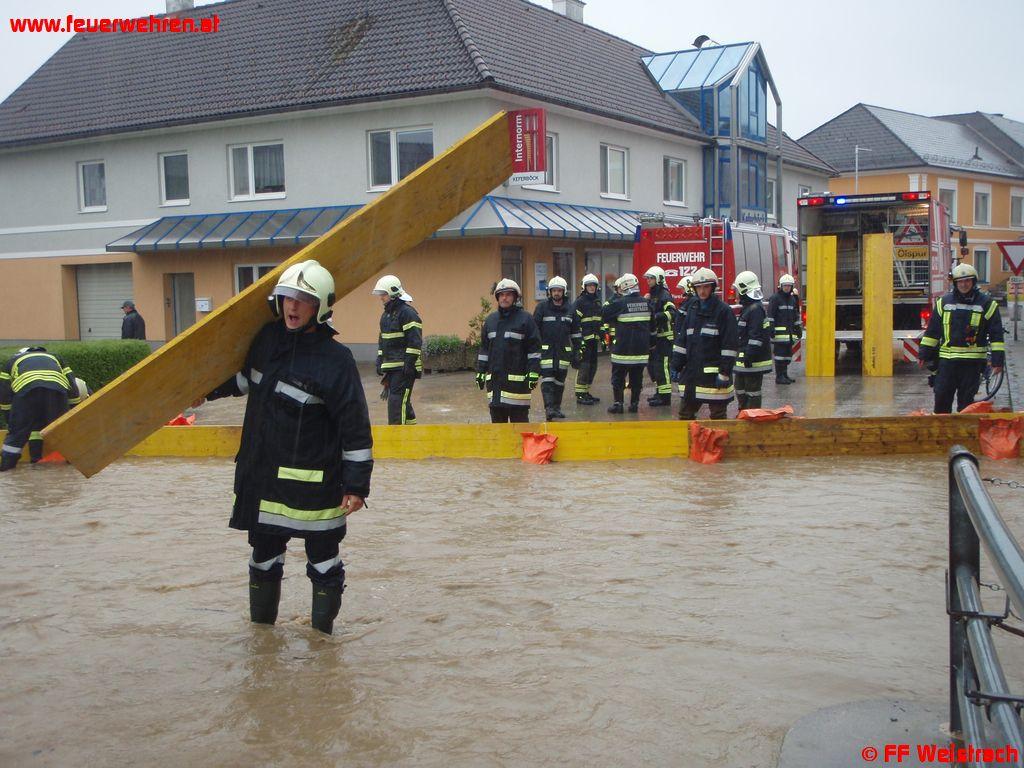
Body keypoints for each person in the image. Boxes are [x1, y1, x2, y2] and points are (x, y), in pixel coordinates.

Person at [204, 259, 373, 635]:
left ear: (321, 306)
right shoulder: (267, 340)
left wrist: (357, 485)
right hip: (263, 483)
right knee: (262, 560)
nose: (292, 307)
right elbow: (247, 381)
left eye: (302, 299)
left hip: (316, 489)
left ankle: (322, 644)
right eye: (286, 298)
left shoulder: (336, 361)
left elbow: (355, 429)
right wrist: (202, 390)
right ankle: (263, 641)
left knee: (324, 565)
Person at [919, 263, 1005, 413]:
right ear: (955, 283)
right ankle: (943, 434)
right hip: (947, 363)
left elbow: (996, 335)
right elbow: (933, 332)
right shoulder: (944, 303)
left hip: (971, 365)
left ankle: (964, 435)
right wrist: (923, 354)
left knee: (966, 406)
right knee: (941, 401)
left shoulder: (987, 304)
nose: (964, 284)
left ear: (973, 282)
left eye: (967, 281)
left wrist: (998, 361)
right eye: (960, 281)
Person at [671, 267, 738, 420]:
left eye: (706, 287)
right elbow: (682, 342)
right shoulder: (692, 310)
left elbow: (730, 346)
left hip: (715, 377)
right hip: (693, 376)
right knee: (685, 416)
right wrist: (676, 365)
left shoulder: (724, 312)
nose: (702, 291)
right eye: (699, 287)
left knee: (718, 418)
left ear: (713, 287)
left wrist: (724, 372)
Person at [0, 346, 81, 471]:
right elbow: (72, 385)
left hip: (26, 391)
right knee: (63, 429)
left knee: (17, 432)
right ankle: (75, 462)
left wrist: (11, 420)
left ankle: (7, 466)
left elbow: (4, 393)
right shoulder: (56, 357)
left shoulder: (12, 361)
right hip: (56, 391)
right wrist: (73, 411)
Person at [476, 278, 542, 423]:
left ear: (515, 297)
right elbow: (485, 349)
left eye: (508, 294)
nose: (504, 298)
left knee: (520, 433)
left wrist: (533, 372)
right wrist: (480, 371)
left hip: (517, 389)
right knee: (498, 434)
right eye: (501, 295)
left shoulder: (526, 319)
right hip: (495, 390)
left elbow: (534, 348)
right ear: (497, 297)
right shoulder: (490, 321)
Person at [372, 274, 422, 425]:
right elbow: (383, 340)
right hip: (393, 367)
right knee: (402, 402)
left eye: (384, 294)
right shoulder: (386, 316)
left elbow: (415, 341)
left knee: (396, 402)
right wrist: (380, 359)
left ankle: (395, 437)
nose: (381, 297)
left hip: (404, 368)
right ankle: (411, 433)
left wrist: (409, 363)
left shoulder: (408, 313)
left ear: (393, 293)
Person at [601, 273, 652, 414]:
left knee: (618, 378)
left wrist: (614, 299)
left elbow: (604, 313)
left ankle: (618, 404)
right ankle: (634, 404)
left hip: (622, 350)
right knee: (637, 378)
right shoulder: (646, 303)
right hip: (641, 351)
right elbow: (653, 325)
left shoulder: (620, 303)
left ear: (624, 287)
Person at [533, 276, 580, 420]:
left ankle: (557, 408)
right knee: (547, 381)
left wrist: (578, 351)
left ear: (564, 292)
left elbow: (576, 332)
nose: (556, 293)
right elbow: (534, 331)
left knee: (559, 382)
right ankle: (549, 409)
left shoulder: (571, 309)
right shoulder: (542, 308)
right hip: (546, 352)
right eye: (554, 291)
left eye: (559, 290)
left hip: (563, 353)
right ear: (550, 292)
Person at [731, 271, 773, 411]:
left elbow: (756, 336)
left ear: (744, 290)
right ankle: (743, 414)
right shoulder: (749, 308)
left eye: (737, 290)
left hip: (752, 361)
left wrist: (749, 355)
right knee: (740, 388)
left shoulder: (755, 310)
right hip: (746, 359)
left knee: (752, 391)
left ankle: (752, 418)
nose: (736, 293)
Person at [644, 265, 677, 407]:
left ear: (658, 279)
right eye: (648, 278)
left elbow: (672, 312)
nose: (648, 281)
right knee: (656, 367)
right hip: (656, 337)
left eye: (651, 278)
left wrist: (656, 317)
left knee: (663, 367)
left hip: (665, 337)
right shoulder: (653, 294)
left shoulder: (664, 295)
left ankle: (665, 398)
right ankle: (659, 392)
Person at [572, 273, 603, 405]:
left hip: (594, 340)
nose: (591, 288)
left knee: (592, 367)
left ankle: (586, 391)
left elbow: (600, 320)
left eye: (593, 285)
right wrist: (580, 341)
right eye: (589, 285)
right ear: (584, 287)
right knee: (584, 367)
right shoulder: (580, 302)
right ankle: (580, 394)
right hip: (584, 341)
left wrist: (603, 336)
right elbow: (575, 322)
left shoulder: (597, 301)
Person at [767, 274, 802, 384]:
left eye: (789, 286)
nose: (787, 288)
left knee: (787, 356)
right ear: (780, 286)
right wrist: (771, 328)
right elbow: (770, 315)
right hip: (779, 334)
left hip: (789, 333)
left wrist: (797, 328)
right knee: (779, 356)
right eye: (785, 285)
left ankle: (784, 375)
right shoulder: (775, 298)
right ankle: (779, 377)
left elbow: (795, 315)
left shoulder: (792, 299)